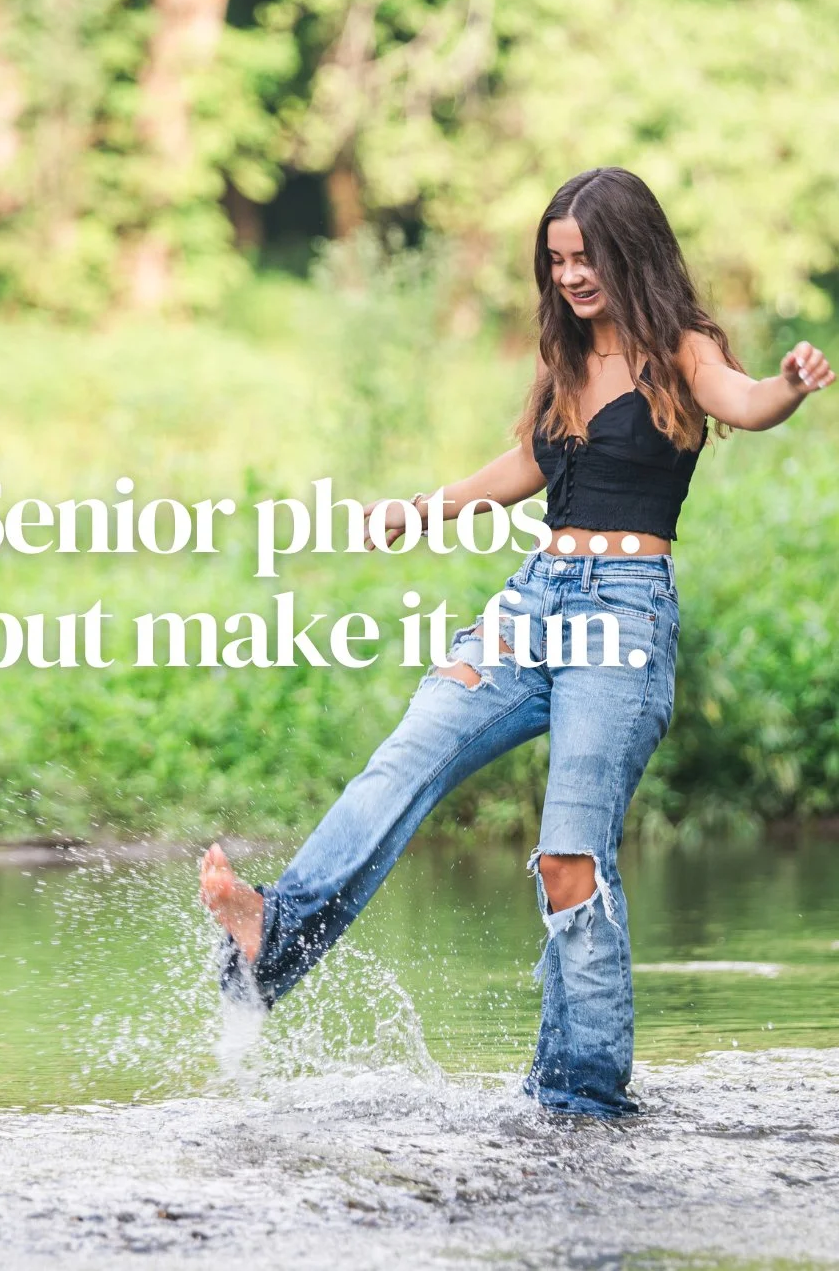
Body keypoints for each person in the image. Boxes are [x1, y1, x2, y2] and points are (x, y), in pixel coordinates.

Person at [198, 166, 833, 1118]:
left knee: (570, 857)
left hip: (622, 615)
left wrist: (790, 384)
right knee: (404, 757)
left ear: (630, 251)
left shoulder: (681, 350)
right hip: (532, 602)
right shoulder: (566, 356)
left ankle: (580, 1103)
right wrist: (428, 507)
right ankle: (270, 933)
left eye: (587, 258)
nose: (572, 277)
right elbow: (532, 461)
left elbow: (744, 403)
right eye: (558, 260)